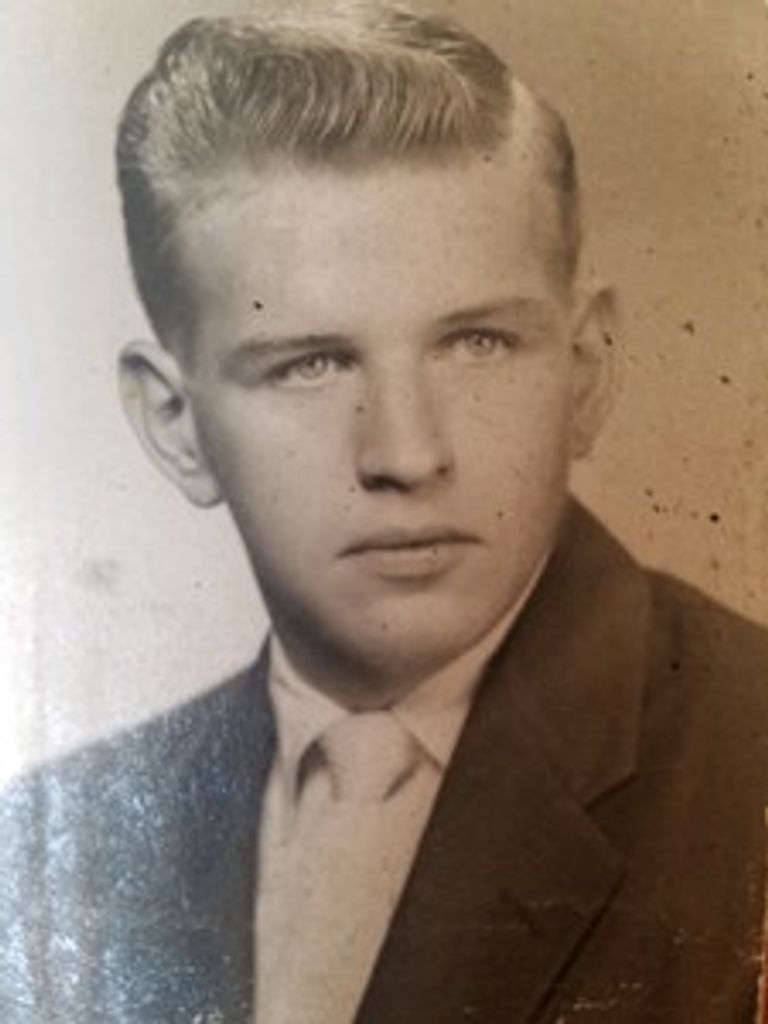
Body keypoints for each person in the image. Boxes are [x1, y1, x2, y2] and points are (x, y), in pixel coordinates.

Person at [2, 4, 767, 1022]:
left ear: (585, 372)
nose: (405, 454)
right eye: (310, 365)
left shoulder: (747, 757)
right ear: (175, 425)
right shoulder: (50, 842)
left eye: (478, 344)